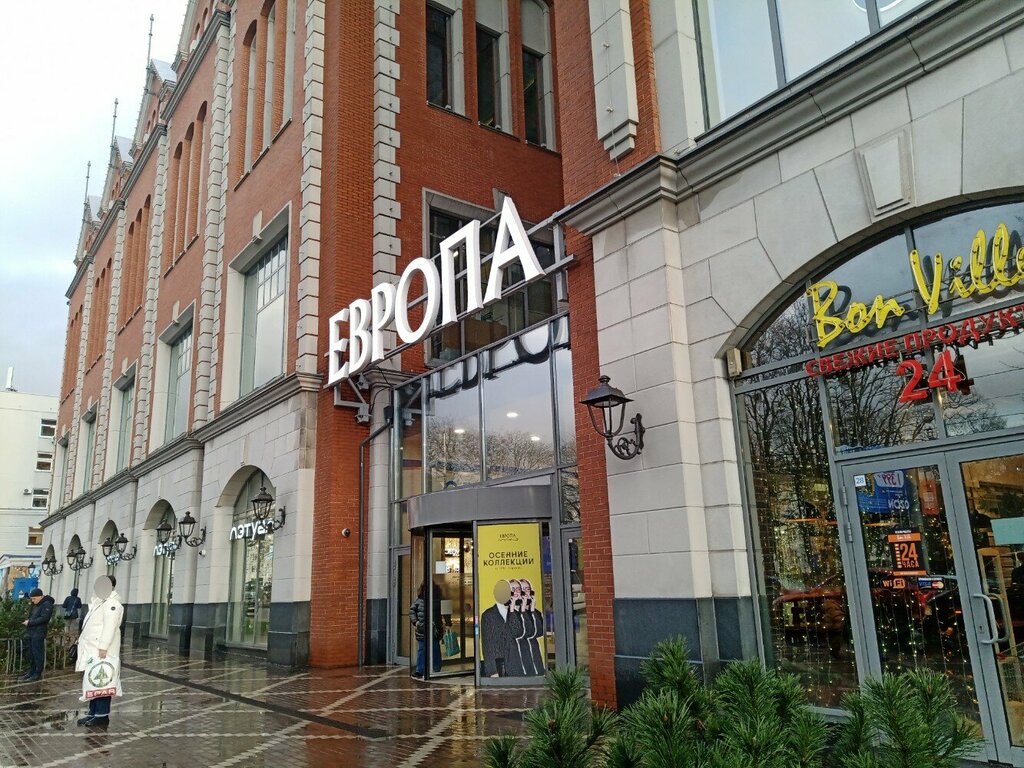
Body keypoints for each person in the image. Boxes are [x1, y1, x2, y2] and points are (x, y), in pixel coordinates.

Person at [76, 575, 124, 728]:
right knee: (93, 682)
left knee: (103, 682)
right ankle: (93, 713)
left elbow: (110, 627)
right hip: (93, 649)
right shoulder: (99, 602)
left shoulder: (112, 604)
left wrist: (103, 647)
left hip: (103, 651)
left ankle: (101, 715)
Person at [409, 581, 445, 678]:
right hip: (422, 628)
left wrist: (447, 623)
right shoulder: (419, 600)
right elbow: (412, 611)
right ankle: (420, 670)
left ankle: (436, 668)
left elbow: (445, 612)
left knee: (435, 648)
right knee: (422, 649)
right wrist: (416, 622)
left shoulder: (438, 599)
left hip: (434, 629)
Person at [20, 587, 54, 681]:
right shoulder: (37, 604)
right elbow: (34, 616)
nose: (32, 601)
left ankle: (37, 673)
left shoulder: (47, 604)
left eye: (34, 599)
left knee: (37, 653)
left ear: (40, 597)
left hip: (38, 633)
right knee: (31, 653)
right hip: (32, 632)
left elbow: (44, 618)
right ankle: (31, 672)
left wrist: (30, 622)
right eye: (32, 599)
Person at [480, 580, 512, 677]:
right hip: (499, 663)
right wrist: (492, 671)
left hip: (516, 663)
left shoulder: (514, 611)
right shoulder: (488, 615)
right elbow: (487, 644)